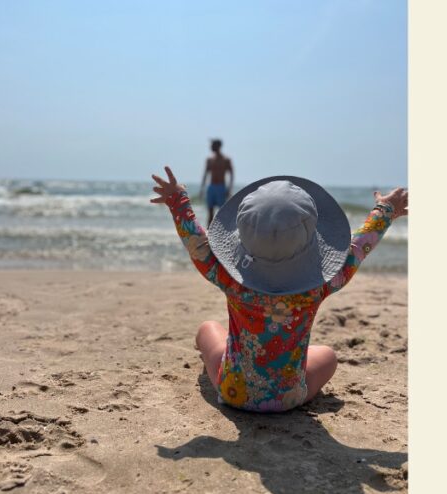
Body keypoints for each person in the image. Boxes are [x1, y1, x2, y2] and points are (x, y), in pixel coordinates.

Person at [150, 166, 407, 413]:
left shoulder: (229, 279)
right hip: (290, 397)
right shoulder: (319, 287)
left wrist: (177, 200)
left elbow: (196, 243)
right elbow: (358, 248)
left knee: (208, 329)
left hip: (232, 391)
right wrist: (385, 210)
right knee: (327, 355)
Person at [200, 139, 234, 227]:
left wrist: (229, 189)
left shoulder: (226, 159)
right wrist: (202, 189)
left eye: (212, 145)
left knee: (221, 213)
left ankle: (221, 233)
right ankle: (208, 234)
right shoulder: (209, 159)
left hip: (221, 187)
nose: (210, 147)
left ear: (218, 146)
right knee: (210, 212)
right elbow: (205, 174)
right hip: (211, 187)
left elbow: (231, 174)